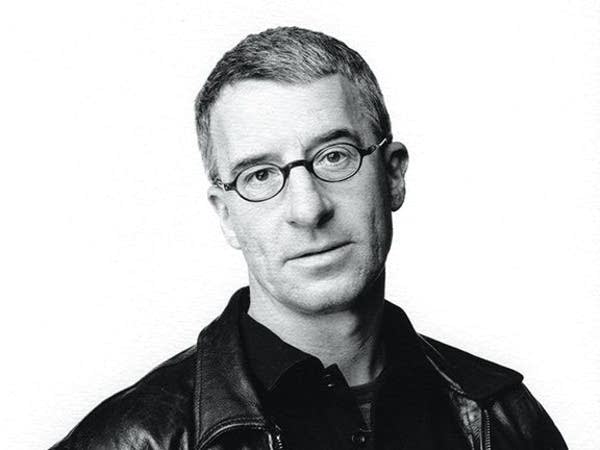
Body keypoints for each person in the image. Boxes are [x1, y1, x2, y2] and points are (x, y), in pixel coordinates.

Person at [51, 27, 567, 450]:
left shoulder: (506, 419)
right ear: (226, 215)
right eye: (259, 175)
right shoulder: (131, 441)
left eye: (334, 156)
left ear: (393, 175)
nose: (308, 209)